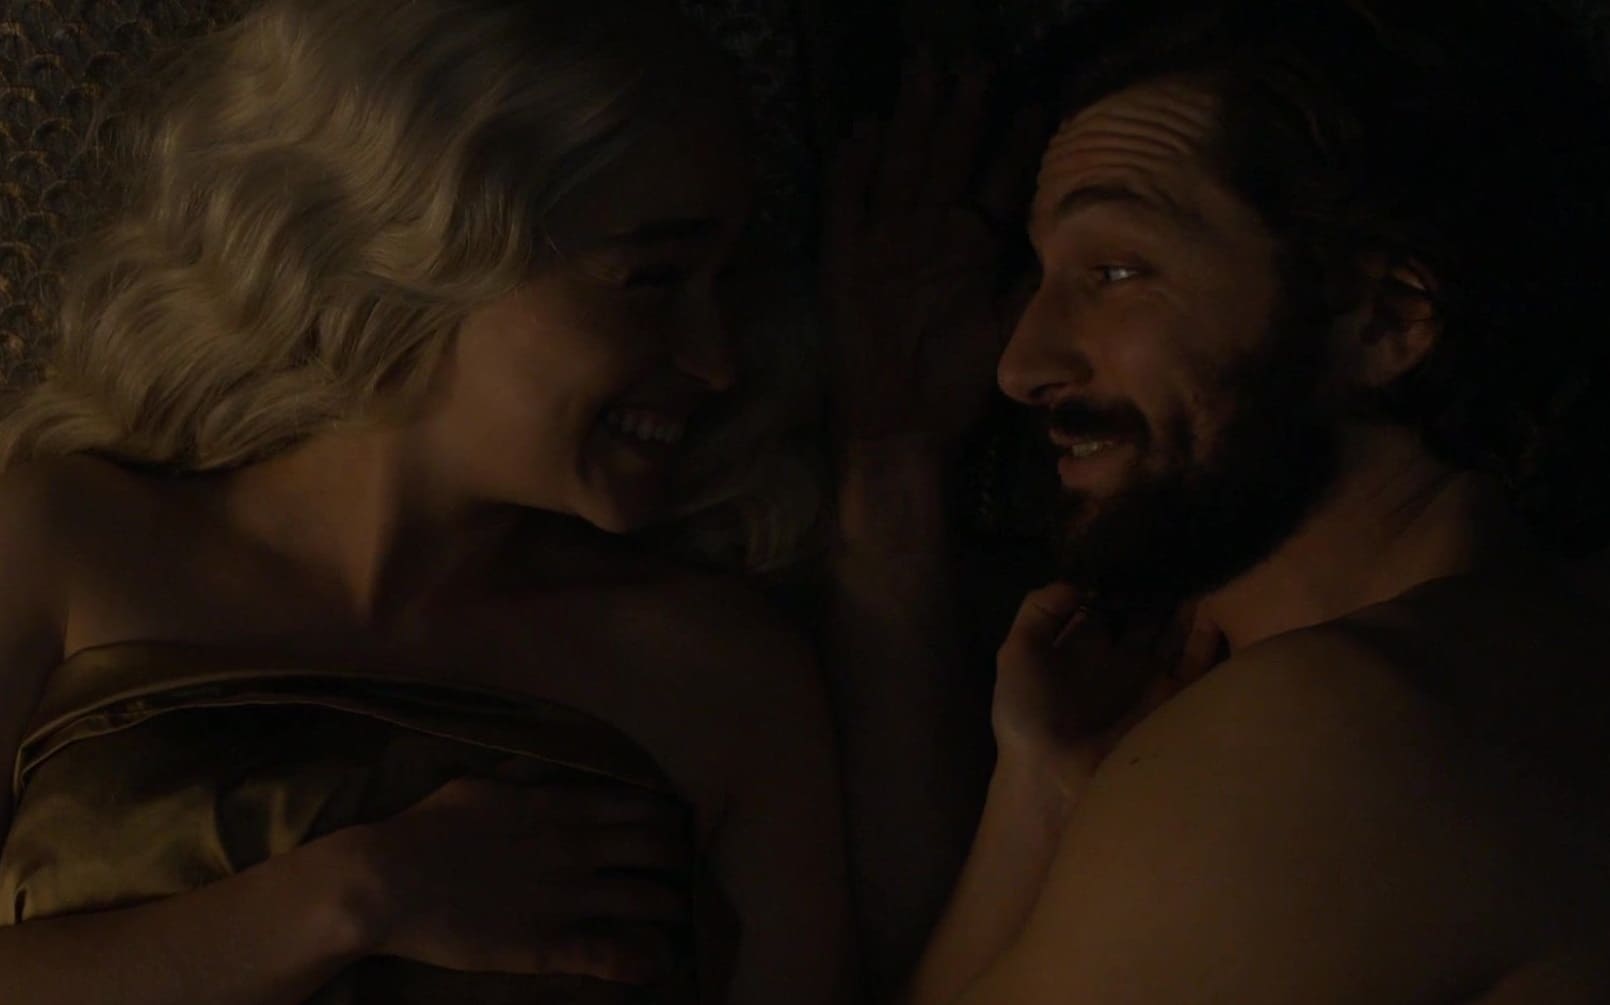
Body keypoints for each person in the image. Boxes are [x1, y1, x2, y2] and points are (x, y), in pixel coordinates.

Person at [0, 0, 853, 1002]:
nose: (716, 360)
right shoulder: (63, 540)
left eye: (725, 284)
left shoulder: (720, 672)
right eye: (652, 279)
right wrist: (355, 895)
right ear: (430, 244)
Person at [823, 0, 1610, 1001]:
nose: (1021, 364)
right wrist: (1046, 787)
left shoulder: (1328, 731)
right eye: (1037, 278)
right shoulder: (1522, 655)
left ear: (1385, 319)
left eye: (1114, 271)